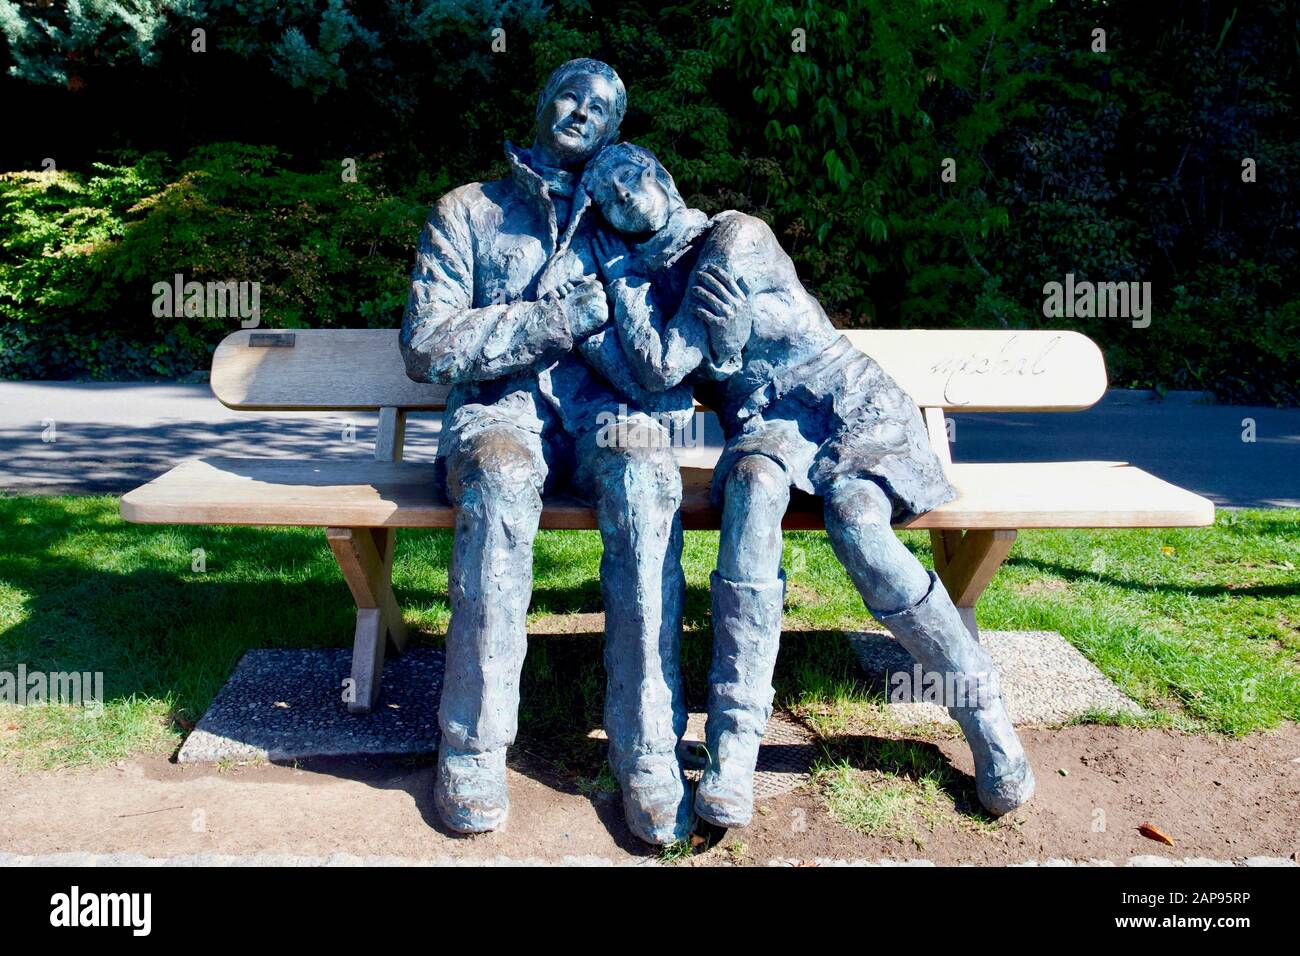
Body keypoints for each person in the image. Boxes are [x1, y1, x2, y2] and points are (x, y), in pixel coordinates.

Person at [580, 142, 1036, 826]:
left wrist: (618, 285)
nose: (623, 202)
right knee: (752, 491)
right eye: (607, 201)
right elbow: (664, 387)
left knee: (857, 525)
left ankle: (986, 717)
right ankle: (735, 749)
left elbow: (665, 362)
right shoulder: (653, 285)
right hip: (767, 426)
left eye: (629, 182)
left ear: (664, 179)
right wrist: (656, 327)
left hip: (846, 404)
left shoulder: (734, 238)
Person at [400, 62, 694, 844]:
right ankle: (471, 746)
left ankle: (649, 751)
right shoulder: (467, 212)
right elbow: (428, 345)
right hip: (498, 417)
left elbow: (665, 368)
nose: (579, 113)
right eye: (569, 94)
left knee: (647, 475)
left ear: (613, 132)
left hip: (603, 415)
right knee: (500, 484)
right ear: (540, 102)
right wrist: (551, 322)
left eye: (600, 109)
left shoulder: (625, 222)